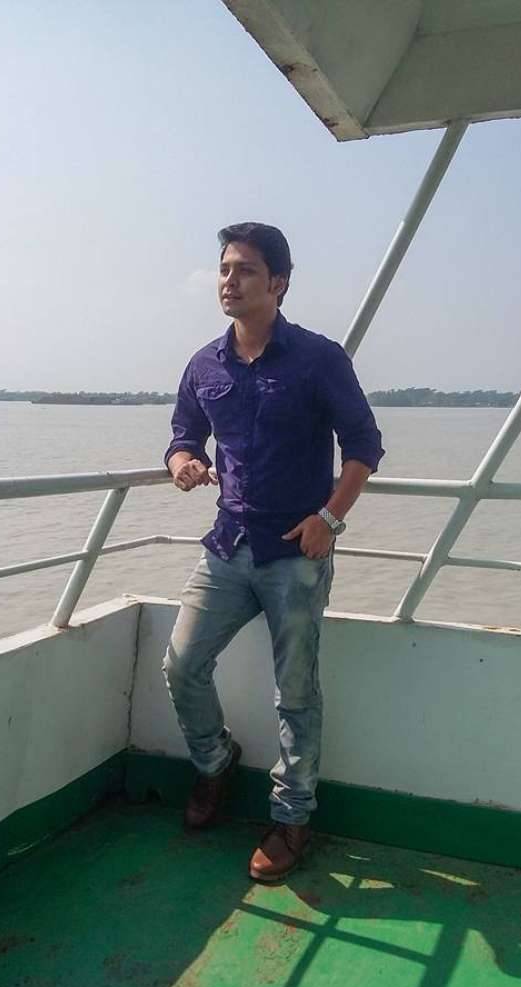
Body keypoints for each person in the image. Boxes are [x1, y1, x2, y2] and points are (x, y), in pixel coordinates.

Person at [162, 222, 384, 882]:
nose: (229, 281)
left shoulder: (318, 359)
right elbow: (183, 435)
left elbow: (364, 446)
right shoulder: (205, 365)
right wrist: (182, 463)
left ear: (279, 283)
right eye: (224, 269)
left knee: (295, 693)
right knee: (182, 664)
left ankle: (291, 819)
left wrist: (329, 519)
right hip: (227, 545)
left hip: (295, 552)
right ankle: (215, 762)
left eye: (245, 270)